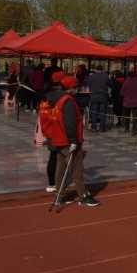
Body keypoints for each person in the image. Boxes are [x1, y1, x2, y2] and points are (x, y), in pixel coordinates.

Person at [48, 76, 100, 206]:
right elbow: (69, 122)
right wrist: (73, 141)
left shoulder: (57, 98)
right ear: (71, 88)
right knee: (77, 169)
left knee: (60, 169)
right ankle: (83, 195)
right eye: (76, 87)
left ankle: (60, 195)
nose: (77, 89)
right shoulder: (68, 100)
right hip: (68, 139)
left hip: (59, 138)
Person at [40, 71, 64, 192]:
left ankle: (52, 183)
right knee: (58, 157)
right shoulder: (57, 96)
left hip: (48, 128)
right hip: (56, 129)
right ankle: (55, 183)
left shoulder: (45, 94)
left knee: (54, 155)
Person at [87, 65, 112, 132]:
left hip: (94, 96)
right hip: (103, 96)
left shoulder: (92, 76)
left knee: (94, 112)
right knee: (102, 113)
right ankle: (102, 127)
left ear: (96, 70)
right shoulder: (105, 76)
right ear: (102, 70)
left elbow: (89, 85)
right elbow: (111, 85)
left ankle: (93, 127)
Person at [120, 71, 137, 135]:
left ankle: (127, 128)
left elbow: (122, 93)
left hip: (127, 102)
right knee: (135, 116)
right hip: (136, 102)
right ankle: (134, 129)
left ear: (128, 76)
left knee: (127, 116)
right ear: (135, 75)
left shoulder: (125, 83)